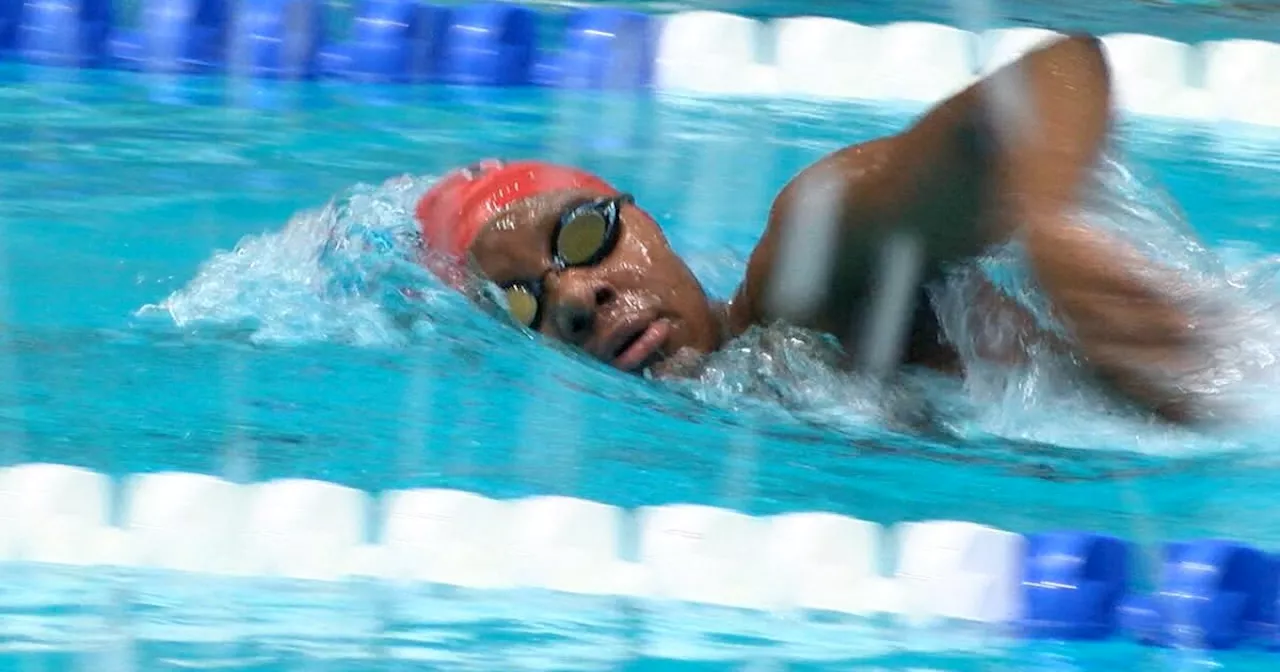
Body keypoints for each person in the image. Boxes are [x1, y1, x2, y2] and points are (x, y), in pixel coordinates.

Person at [412, 34, 1219, 425]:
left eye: (583, 238)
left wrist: (1049, 227)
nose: (577, 297)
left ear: (646, 218)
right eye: (523, 302)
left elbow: (1056, 75)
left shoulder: (809, 276)